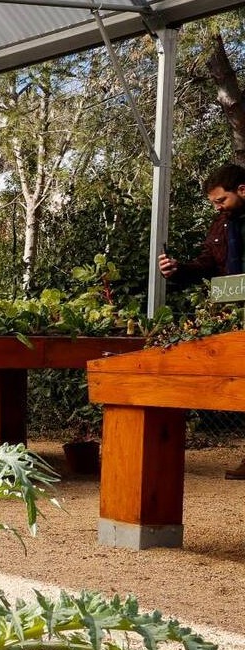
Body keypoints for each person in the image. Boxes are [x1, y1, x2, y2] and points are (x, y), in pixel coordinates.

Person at [158, 162, 245, 479]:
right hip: (233, 313)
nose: (218, 207)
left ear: (242, 191)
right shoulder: (221, 225)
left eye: (221, 200)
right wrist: (177, 269)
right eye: (214, 203)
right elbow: (208, 262)